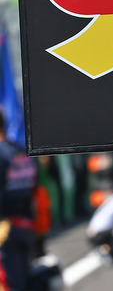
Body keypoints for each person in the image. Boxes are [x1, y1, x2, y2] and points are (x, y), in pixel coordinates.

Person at [0, 106, 38, 291]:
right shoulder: (22, 152)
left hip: (5, 230)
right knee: (24, 281)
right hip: (26, 225)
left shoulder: (1, 154)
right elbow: (35, 187)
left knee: (13, 285)